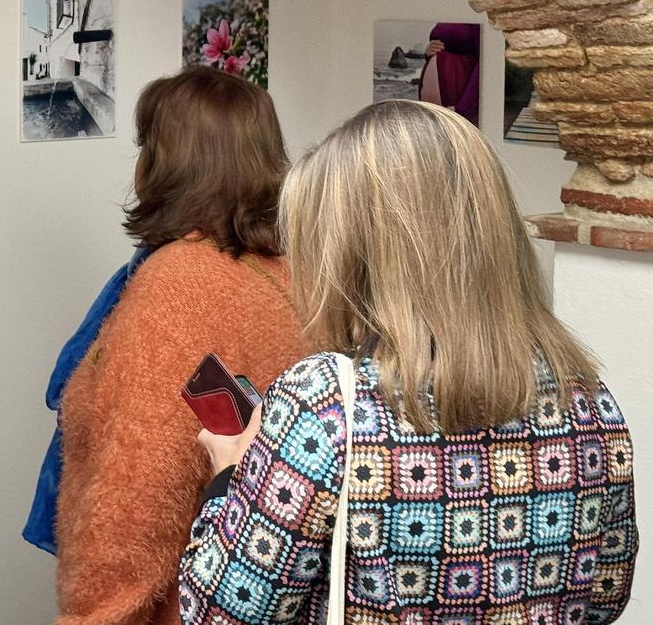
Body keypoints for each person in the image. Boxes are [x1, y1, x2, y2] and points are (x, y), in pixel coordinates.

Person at [180, 100, 637, 623]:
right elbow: (603, 596)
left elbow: (219, 614)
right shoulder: (589, 401)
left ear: (351, 257)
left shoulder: (326, 404)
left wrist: (229, 474)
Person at [55, 65, 306, 624]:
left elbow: (136, 497)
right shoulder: (292, 277)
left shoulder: (176, 289)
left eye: (147, 146)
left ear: (165, 166)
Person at [418, 22, 480, 125]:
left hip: (458, 102)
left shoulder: (476, 18)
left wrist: (463, 108)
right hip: (434, 108)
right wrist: (429, 53)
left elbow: (484, 63)